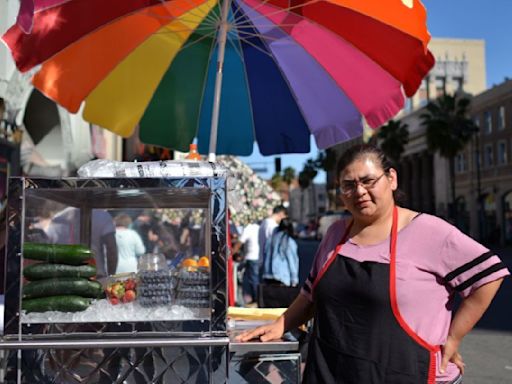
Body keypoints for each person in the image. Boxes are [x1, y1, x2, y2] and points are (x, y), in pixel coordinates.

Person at [237, 144, 509, 384]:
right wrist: (282, 323)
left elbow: (490, 276)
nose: (359, 192)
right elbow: (310, 295)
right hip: (334, 372)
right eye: (348, 185)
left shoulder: (428, 231)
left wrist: (453, 338)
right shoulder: (336, 234)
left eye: (368, 181)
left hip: (410, 374)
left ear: (391, 179)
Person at [46, 207, 118, 278]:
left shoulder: (59, 218)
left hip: (65, 275)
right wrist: (111, 277)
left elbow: (48, 249)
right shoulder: (102, 216)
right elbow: (112, 250)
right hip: (95, 275)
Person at [261, 217, 299, 287]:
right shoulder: (289, 241)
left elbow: (264, 256)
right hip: (282, 277)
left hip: (268, 276)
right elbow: (292, 262)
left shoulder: (270, 239)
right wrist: (294, 280)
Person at [233, 220, 261, 305]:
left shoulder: (249, 228)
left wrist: (231, 253)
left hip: (251, 257)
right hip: (258, 257)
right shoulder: (259, 228)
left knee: (251, 279)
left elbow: (240, 242)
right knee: (255, 279)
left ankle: (255, 300)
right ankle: (255, 299)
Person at [258, 205, 288, 271]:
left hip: (262, 259)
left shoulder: (264, 222)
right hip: (270, 263)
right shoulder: (273, 226)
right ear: (281, 214)